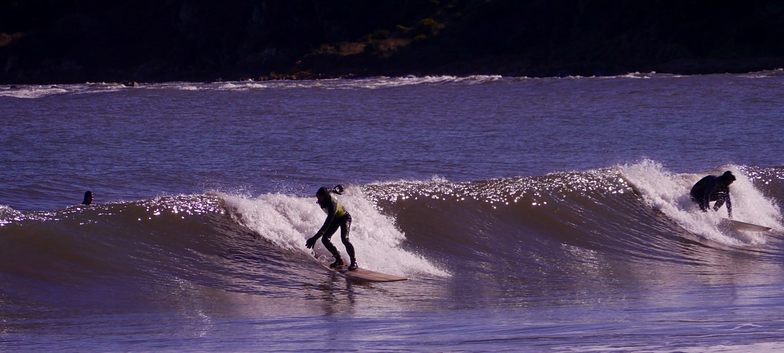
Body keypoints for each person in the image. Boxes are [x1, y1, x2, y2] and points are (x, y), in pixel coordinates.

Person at [305, 185, 358, 271]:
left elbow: (325, 226)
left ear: (325, 197)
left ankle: (354, 262)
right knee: (325, 239)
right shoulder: (325, 194)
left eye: (320, 198)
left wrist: (314, 238)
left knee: (345, 239)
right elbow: (328, 190)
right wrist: (336, 189)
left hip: (344, 218)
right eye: (318, 197)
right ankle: (338, 259)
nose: (318, 200)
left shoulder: (331, 206)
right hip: (336, 219)